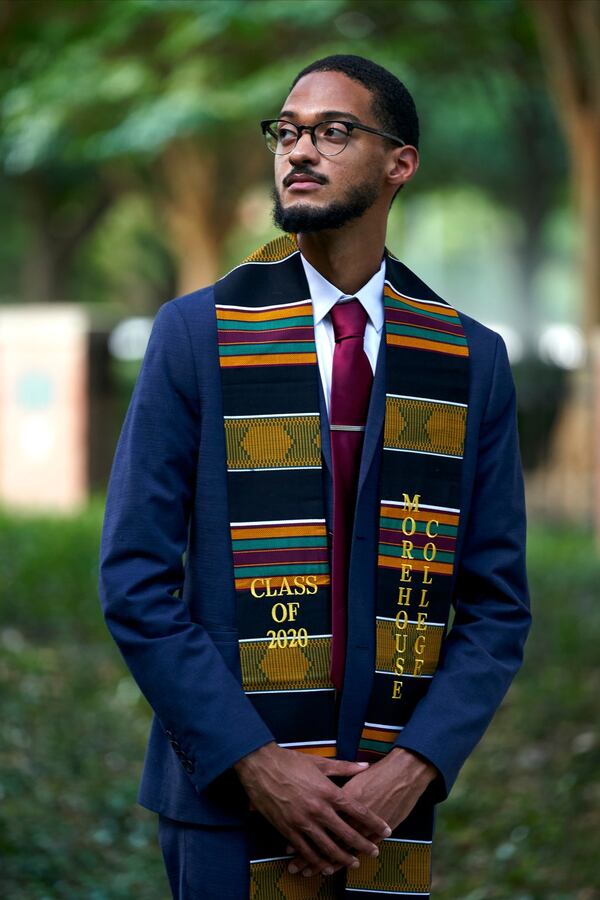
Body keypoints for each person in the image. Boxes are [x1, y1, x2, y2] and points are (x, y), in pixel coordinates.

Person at [98, 54, 531, 899]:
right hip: (228, 799)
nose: (299, 151)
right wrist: (256, 763)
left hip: (385, 806)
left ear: (399, 162)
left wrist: (413, 766)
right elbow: (135, 581)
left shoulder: (466, 360)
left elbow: (496, 603)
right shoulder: (198, 337)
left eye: (334, 132)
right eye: (286, 133)